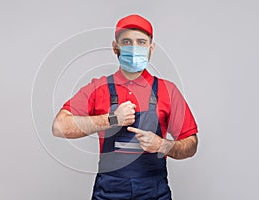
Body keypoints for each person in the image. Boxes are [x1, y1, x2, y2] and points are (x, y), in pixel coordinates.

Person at [52, 14, 198, 200]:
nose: (134, 48)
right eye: (127, 42)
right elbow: (59, 127)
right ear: (115, 47)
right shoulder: (98, 88)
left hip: (153, 191)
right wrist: (112, 119)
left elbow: (191, 145)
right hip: (109, 191)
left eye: (141, 42)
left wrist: (163, 145)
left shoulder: (167, 90)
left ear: (151, 49)